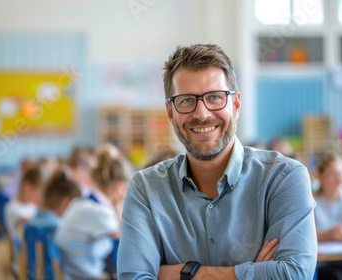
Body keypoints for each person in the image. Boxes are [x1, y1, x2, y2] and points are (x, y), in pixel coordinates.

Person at [117, 44, 317, 279]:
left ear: (236, 104)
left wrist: (185, 274)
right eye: (186, 100)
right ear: (170, 112)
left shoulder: (284, 177)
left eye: (214, 97)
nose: (201, 114)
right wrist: (253, 272)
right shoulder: (146, 189)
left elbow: (293, 274)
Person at [55, 143, 134, 280]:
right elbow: (125, 253)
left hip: (71, 274)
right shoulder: (102, 214)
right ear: (119, 186)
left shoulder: (79, 203)